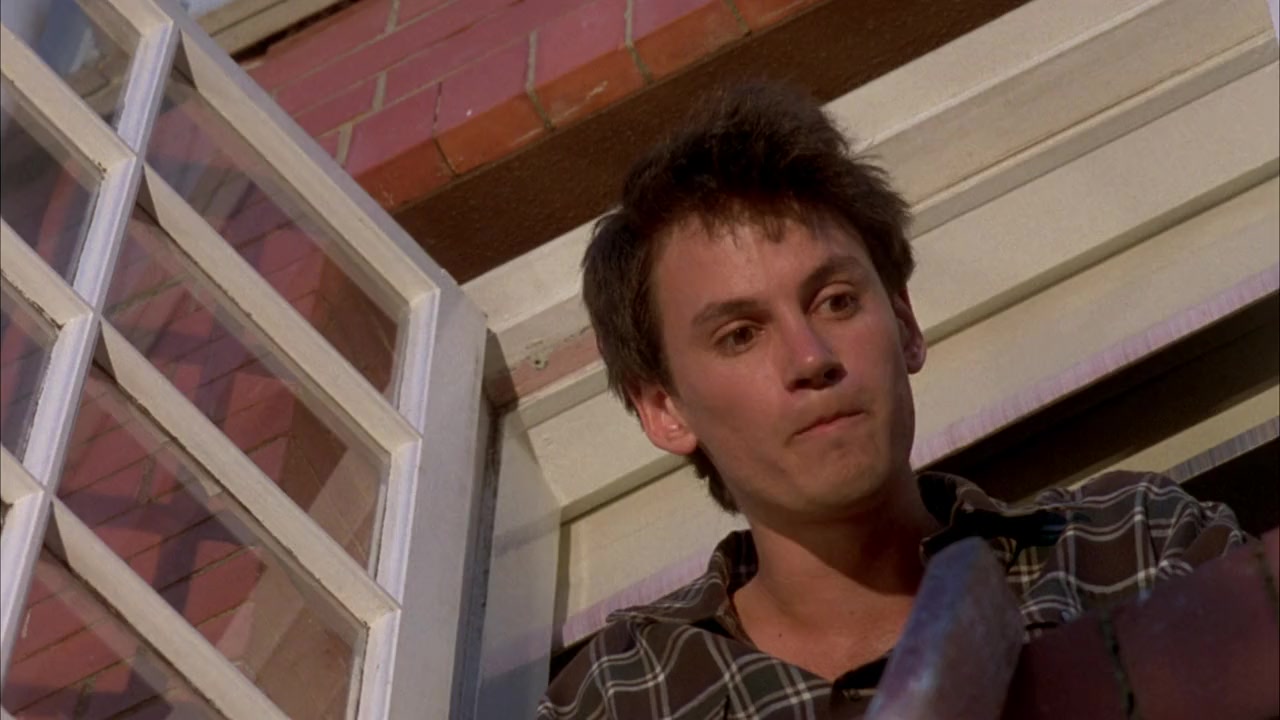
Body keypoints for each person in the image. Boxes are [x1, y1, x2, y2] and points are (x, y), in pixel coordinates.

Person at [536, 83, 1244, 719]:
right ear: (665, 410)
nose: (811, 358)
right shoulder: (620, 699)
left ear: (904, 323)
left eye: (837, 300)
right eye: (741, 335)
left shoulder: (1133, 552)